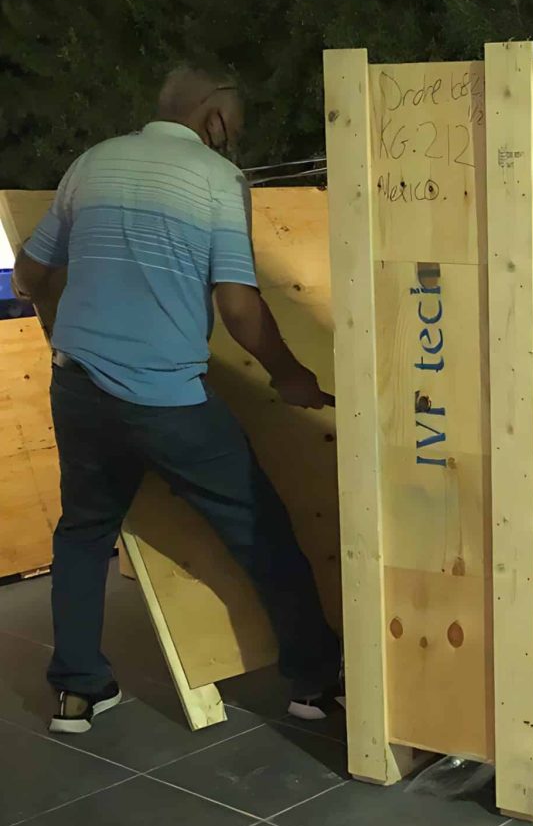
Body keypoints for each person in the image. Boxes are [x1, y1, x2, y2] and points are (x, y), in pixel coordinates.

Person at [12, 64, 343, 732]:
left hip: (78, 385)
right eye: (237, 124)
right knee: (262, 532)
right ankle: (314, 683)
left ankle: (77, 693)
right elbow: (240, 308)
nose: (235, 137)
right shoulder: (218, 181)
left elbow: (32, 272)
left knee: (82, 533)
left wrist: (70, 317)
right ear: (215, 117)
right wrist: (289, 375)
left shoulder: (94, 163)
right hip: (164, 397)